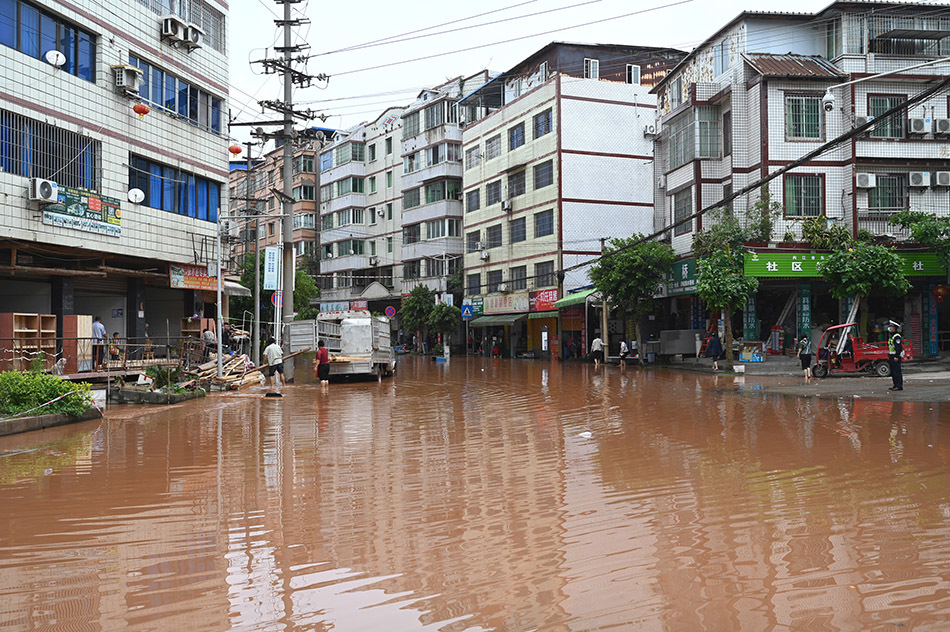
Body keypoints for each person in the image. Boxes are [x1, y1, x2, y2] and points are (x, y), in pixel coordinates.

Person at [887, 321, 904, 391]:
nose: (889, 328)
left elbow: (898, 348)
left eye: (891, 327)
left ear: (894, 328)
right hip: (891, 356)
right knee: (893, 372)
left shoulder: (897, 337)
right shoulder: (892, 336)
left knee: (897, 372)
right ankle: (895, 385)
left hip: (895, 356)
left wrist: (896, 356)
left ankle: (899, 386)